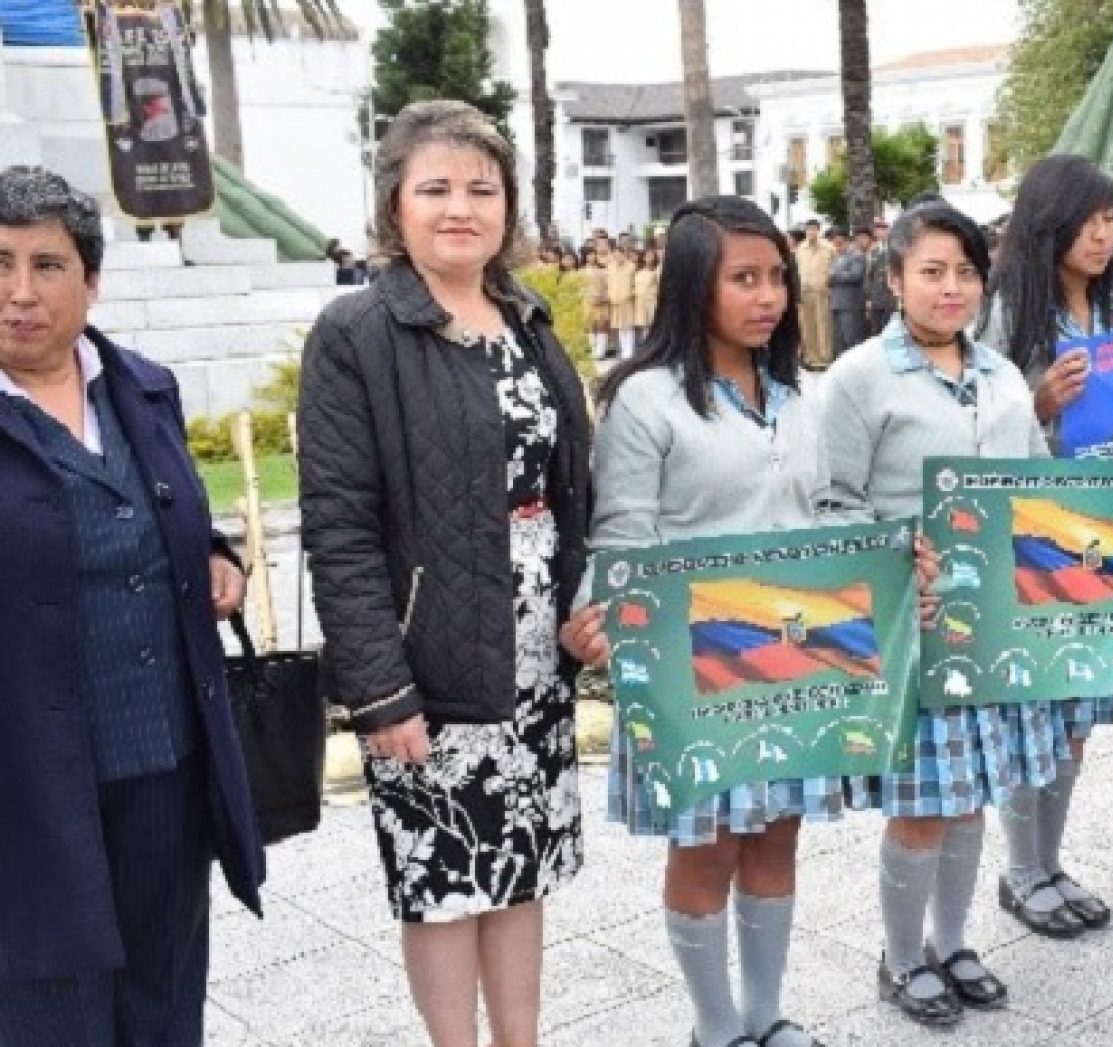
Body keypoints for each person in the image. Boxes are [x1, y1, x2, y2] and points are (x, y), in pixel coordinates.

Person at [299, 100, 594, 1047]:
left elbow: (570, 487)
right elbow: (338, 528)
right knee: (445, 879)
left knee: (522, 864)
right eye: (435, 188)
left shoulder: (528, 322)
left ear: (509, 204)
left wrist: (587, 605)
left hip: (534, 653)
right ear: (396, 204)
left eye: (482, 188)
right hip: (429, 665)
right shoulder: (357, 333)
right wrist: (380, 692)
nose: (459, 207)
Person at [566, 195, 880, 1047]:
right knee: (707, 850)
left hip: (799, 655)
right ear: (695, 286)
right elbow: (623, 531)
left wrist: (887, 563)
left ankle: (766, 1016)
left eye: (776, 275)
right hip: (692, 664)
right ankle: (715, 1028)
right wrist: (600, 615)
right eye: (745, 278)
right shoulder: (646, 402)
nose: (769, 295)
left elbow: (826, 512)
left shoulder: (798, 394)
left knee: (777, 840)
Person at [0, 165, 262, 1046]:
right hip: (28, 776)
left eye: (46, 265)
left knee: (163, 989)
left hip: (162, 756)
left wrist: (215, 553)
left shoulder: (140, 386)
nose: (19, 293)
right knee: (50, 1001)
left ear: (92, 280)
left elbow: (172, 503)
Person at [820, 203, 1058, 1027]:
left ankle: (954, 942)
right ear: (893, 281)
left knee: (971, 796)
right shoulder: (858, 378)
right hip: (910, 626)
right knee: (920, 802)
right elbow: (832, 502)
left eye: (964, 271)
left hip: (993, 622)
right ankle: (900, 955)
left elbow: (1038, 477)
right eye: (931, 271)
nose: (950, 287)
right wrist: (895, 551)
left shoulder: (1001, 374)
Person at [976, 153, 1113, 939]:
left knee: (1075, 715)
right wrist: (1038, 402)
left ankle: (1050, 859)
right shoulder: (1007, 314)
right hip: (1037, 535)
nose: (1108, 236)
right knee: (1035, 710)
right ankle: (1021, 868)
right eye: (1092, 220)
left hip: (1109, 529)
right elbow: (976, 426)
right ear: (1051, 223)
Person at [794, 218, 835, 368]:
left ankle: (825, 358)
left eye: (814, 229)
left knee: (823, 325)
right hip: (805, 292)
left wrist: (829, 282)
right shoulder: (800, 249)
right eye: (808, 229)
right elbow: (797, 271)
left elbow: (834, 267)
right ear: (805, 231)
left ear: (819, 230)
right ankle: (811, 358)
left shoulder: (828, 247)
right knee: (807, 326)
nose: (811, 232)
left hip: (821, 292)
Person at [830, 227, 870, 355]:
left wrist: (835, 274)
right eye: (835, 243)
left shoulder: (857, 255)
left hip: (851, 305)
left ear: (847, 241)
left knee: (852, 339)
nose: (837, 246)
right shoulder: (837, 257)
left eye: (840, 243)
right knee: (839, 340)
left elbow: (856, 275)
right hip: (837, 303)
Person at [864, 217, 895, 335]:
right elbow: (868, 276)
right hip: (876, 298)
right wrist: (868, 298)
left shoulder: (895, 249)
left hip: (891, 299)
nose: (880, 231)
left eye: (883, 228)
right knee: (877, 332)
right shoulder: (873, 251)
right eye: (877, 228)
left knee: (890, 331)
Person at [583, 244, 613, 358]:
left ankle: (601, 352)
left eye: (593, 254)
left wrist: (604, 297)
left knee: (602, 326)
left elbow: (609, 284)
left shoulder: (602, 269)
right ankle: (593, 350)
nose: (591, 257)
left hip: (602, 301)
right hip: (587, 301)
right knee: (591, 327)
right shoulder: (581, 270)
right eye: (588, 255)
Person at [632, 247, 661, 347]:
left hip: (652, 301)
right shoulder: (638, 271)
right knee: (644, 326)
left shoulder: (657, 270)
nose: (649, 258)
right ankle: (646, 347)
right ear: (643, 258)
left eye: (651, 256)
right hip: (640, 301)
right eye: (647, 256)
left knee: (653, 325)